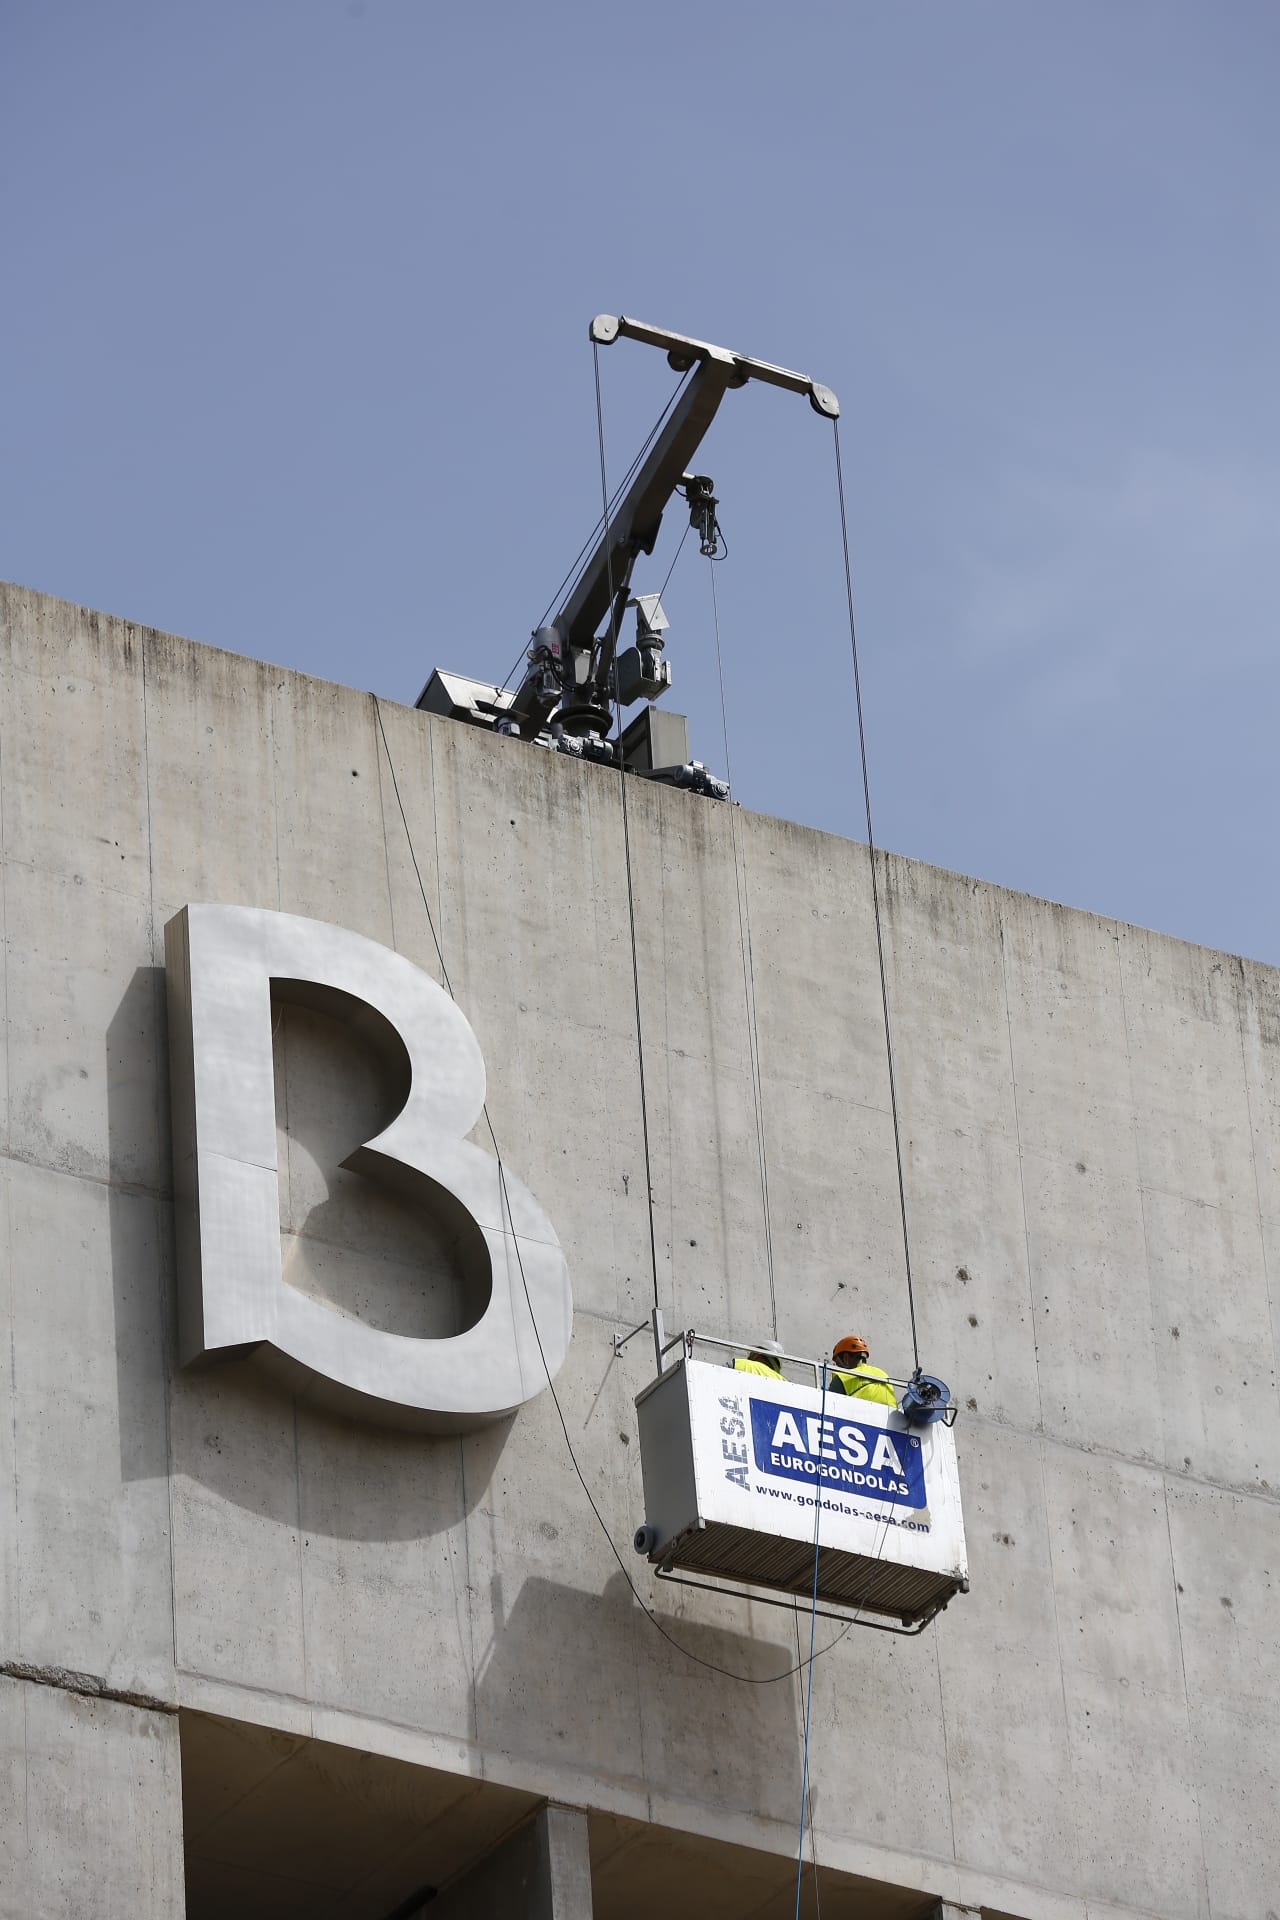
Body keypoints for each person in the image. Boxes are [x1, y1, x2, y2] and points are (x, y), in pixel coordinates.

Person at [829, 1334, 897, 1406]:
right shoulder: (883, 1374)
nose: (838, 1368)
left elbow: (830, 1405)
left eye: (838, 1364)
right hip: (892, 1416)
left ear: (846, 1358)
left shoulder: (842, 1377)